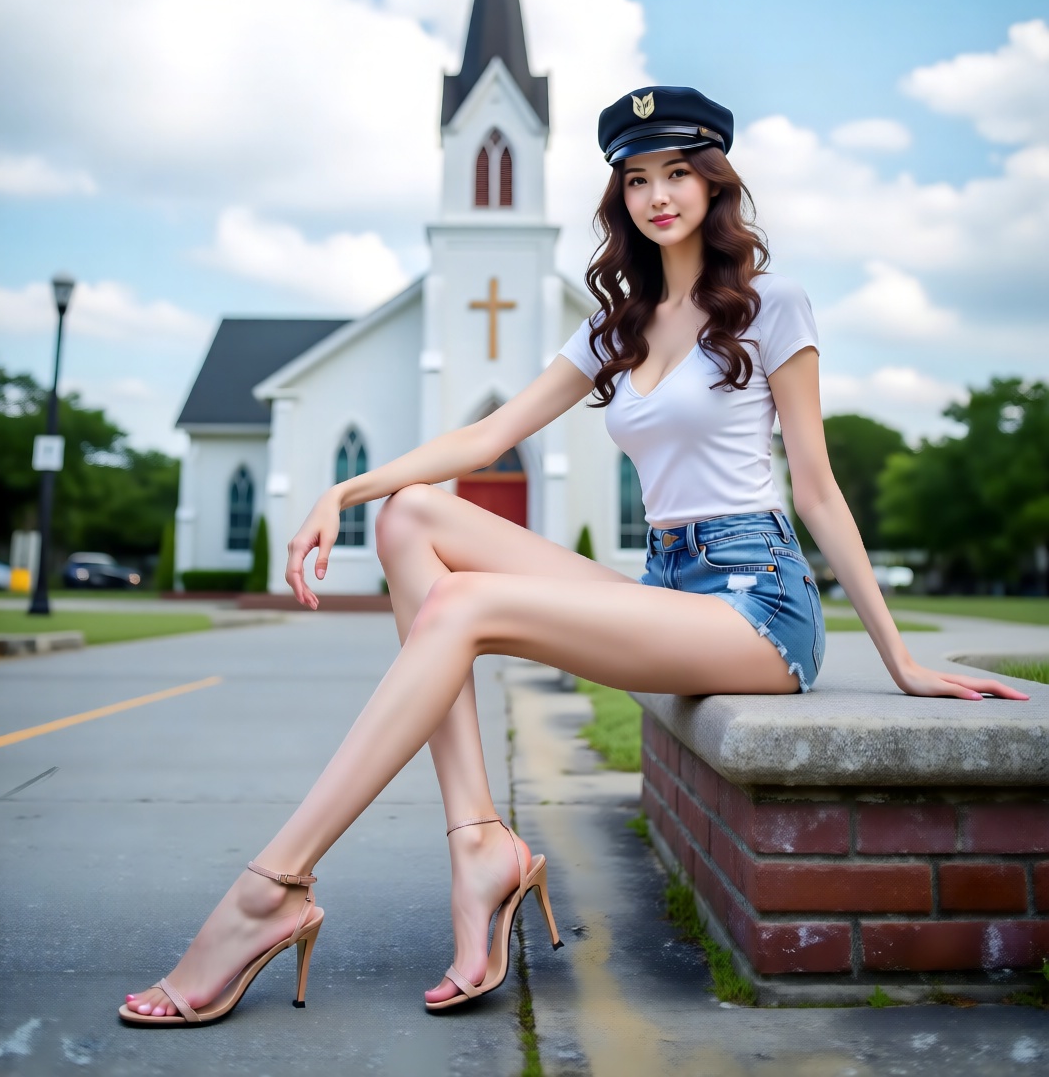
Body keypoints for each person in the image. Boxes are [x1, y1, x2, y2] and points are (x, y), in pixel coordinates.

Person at [120, 84, 1027, 1026]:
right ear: (619, 197)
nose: (657, 194)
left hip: (757, 604)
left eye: (678, 170)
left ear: (715, 181)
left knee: (462, 607)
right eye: (637, 177)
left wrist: (898, 657)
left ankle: (272, 887)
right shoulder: (618, 324)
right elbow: (488, 437)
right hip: (667, 585)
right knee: (410, 519)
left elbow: (817, 490)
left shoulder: (771, 306)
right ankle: (479, 843)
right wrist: (345, 491)